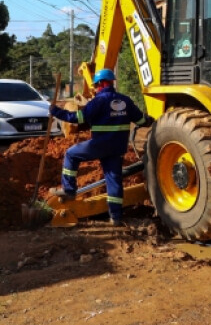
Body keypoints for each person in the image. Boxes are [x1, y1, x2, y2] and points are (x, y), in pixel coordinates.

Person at [49, 68, 143, 225]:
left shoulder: (98, 101)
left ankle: (69, 190)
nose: (94, 89)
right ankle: (116, 216)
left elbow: (77, 118)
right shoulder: (125, 100)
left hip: (99, 145)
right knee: (113, 180)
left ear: (101, 83)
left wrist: (56, 111)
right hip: (117, 148)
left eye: (95, 86)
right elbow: (141, 121)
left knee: (71, 154)